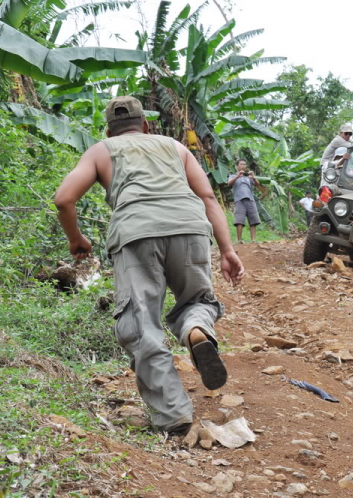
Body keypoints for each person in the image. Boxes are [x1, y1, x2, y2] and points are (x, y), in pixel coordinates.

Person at [54, 96, 244, 435]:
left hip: (136, 232)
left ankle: (173, 415)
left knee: (141, 321)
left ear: (109, 130)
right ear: (145, 125)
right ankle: (195, 331)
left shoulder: (102, 150)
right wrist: (228, 250)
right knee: (197, 300)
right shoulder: (174, 146)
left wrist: (76, 239)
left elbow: (64, 199)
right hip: (189, 225)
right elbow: (209, 198)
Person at [228, 159, 262, 243]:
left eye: (244, 164)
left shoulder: (249, 176)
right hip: (239, 200)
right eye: (241, 164)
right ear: (237, 166)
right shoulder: (233, 176)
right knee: (239, 220)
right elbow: (229, 183)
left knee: (253, 220)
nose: (243, 166)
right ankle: (239, 240)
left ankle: (253, 240)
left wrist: (253, 178)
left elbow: (257, 184)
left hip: (250, 199)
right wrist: (237, 176)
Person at [248, 162, 276, 230]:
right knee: (259, 210)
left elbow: (264, 191)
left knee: (260, 209)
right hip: (246, 195)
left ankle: (270, 223)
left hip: (250, 195)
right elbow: (264, 191)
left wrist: (259, 198)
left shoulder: (253, 178)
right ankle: (269, 223)